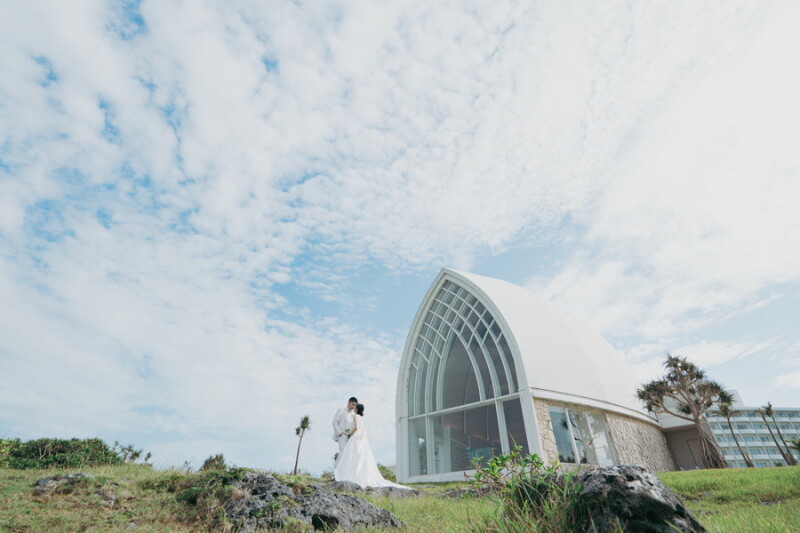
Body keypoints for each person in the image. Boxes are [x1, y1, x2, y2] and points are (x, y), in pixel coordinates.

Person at [334, 403, 410, 489]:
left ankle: (350, 474)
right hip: (361, 438)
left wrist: (349, 434)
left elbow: (356, 428)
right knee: (360, 458)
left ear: (357, 409)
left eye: (355, 407)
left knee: (352, 456)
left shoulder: (356, 416)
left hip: (355, 437)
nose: (354, 408)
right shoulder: (361, 417)